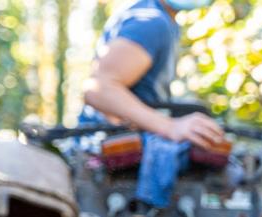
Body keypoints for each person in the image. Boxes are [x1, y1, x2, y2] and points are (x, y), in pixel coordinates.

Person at [80, 0, 225, 151]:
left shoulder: (160, 18)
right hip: (106, 148)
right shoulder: (149, 22)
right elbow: (99, 89)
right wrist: (170, 126)